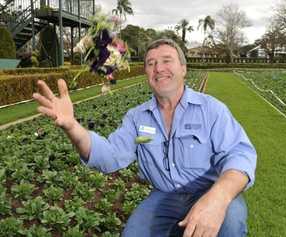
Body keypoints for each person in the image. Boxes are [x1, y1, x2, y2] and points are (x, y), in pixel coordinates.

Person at [33, 38, 257, 237]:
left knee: (230, 224)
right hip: (165, 195)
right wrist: (73, 127)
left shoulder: (212, 110)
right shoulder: (137, 117)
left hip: (212, 189)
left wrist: (218, 198)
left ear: (183, 68)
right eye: (151, 63)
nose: (159, 68)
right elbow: (110, 156)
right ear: (147, 74)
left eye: (167, 60)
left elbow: (240, 154)